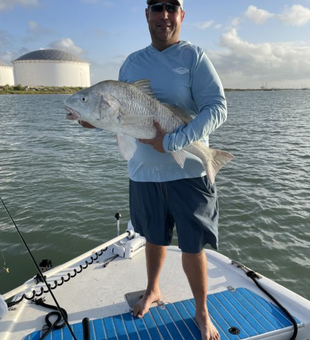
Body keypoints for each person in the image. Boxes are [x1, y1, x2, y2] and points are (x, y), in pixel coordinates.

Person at [118, 1, 226, 339]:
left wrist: (174, 141)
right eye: (156, 7)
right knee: (153, 236)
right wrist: (94, 120)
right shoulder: (132, 62)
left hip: (190, 173)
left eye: (171, 7)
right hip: (144, 174)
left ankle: (201, 310)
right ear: (146, 14)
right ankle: (153, 289)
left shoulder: (194, 58)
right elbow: (120, 115)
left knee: (193, 246)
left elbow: (217, 107)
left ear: (181, 14)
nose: (163, 14)